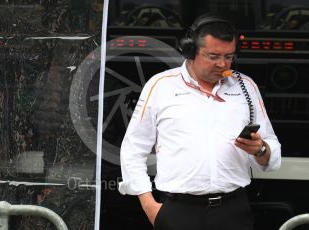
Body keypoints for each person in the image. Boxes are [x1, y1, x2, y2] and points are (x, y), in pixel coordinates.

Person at [118, 13, 281, 230]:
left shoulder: (246, 87)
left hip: (233, 210)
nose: (222, 64)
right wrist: (150, 206)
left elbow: (270, 145)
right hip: (178, 211)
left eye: (229, 56)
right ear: (190, 50)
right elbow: (132, 149)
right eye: (213, 56)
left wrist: (261, 150)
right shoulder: (161, 86)